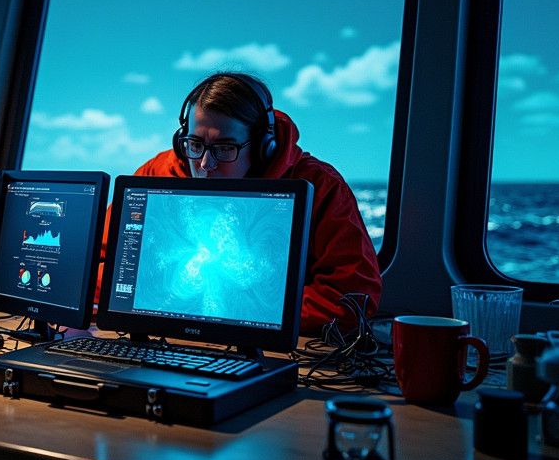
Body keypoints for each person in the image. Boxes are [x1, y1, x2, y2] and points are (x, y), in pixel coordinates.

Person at [116, 72, 382, 332]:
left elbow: (352, 297)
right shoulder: (157, 174)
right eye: (195, 144)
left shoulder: (321, 186)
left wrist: (237, 311)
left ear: (263, 147)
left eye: (224, 148)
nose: (206, 164)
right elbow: (105, 265)